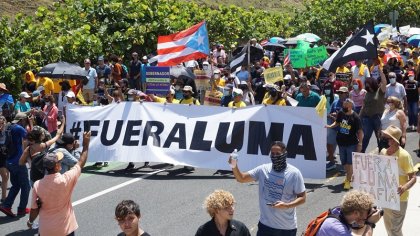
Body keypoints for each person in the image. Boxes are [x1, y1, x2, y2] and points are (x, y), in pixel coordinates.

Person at [230, 141, 306, 236]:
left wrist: (287, 205)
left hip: (286, 228)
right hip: (265, 227)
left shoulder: (294, 173)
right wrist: (234, 165)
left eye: (278, 154)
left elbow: (302, 198)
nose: (274, 156)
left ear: (285, 154)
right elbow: (241, 178)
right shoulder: (263, 170)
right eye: (272, 153)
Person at [27, 131, 91, 235]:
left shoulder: (37, 185)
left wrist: (30, 221)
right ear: (57, 166)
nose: (61, 162)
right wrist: (85, 144)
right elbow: (80, 163)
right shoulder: (66, 180)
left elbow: (34, 209)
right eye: (59, 161)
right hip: (66, 229)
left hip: (46, 230)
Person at [379, 125, 417, 236]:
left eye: (388, 137)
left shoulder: (404, 156)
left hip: (400, 199)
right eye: (385, 137)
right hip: (386, 197)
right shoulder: (383, 153)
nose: (385, 139)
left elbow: (413, 178)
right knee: (389, 228)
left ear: (395, 140)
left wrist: (404, 187)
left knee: (395, 230)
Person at [325, 98, 363, 190]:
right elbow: (337, 122)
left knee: (349, 163)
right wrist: (330, 126)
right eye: (344, 105)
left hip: (351, 143)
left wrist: (360, 143)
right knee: (344, 162)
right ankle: (349, 176)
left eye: (346, 105)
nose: (344, 106)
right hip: (341, 142)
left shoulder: (355, 117)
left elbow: (360, 131)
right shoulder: (341, 113)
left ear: (350, 106)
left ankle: (348, 180)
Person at [0, 113, 30, 217]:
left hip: (9, 161)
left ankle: (6, 205)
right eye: (25, 120)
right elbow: (30, 137)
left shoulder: (8, 126)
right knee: (26, 186)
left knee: (16, 185)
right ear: (21, 120)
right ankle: (21, 209)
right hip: (18, 162)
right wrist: (30, 123)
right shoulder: (19, 128)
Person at [19, 117, 65, 183]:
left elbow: (20, 162)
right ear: (40, 137)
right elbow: (57, 135)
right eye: (42, 133)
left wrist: (29, 160)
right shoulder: (44, 145)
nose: (44, 133)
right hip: (44, 177)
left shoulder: (28, 149)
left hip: (34, 177)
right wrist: (63, 122)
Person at [316, 190, 382, 236]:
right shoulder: (338, 228)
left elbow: (357, 231)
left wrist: (365, 221)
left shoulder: (339, 212)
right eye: (367, 211)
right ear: (356, 213)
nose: (368, 214)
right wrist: (370, 224)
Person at [359, 69, 387, 153]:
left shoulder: (380, 91)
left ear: (373, 84)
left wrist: (381, 72)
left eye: (369, 84)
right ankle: (361, 152)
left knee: (379, 136)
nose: (368, 86)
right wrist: (359, 117)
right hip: (367, 118)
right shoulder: (367, 93)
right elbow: (364, 106)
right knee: (366, 136)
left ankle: (382, 152)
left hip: (377, 117)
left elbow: (384, 82)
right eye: (367, 85)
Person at [0, 115, 9, 203]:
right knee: (4, 177)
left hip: (5, 152)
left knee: (6, 177)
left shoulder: (7, 129)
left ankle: (4, 197)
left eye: (3, 121)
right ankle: (3, 197)